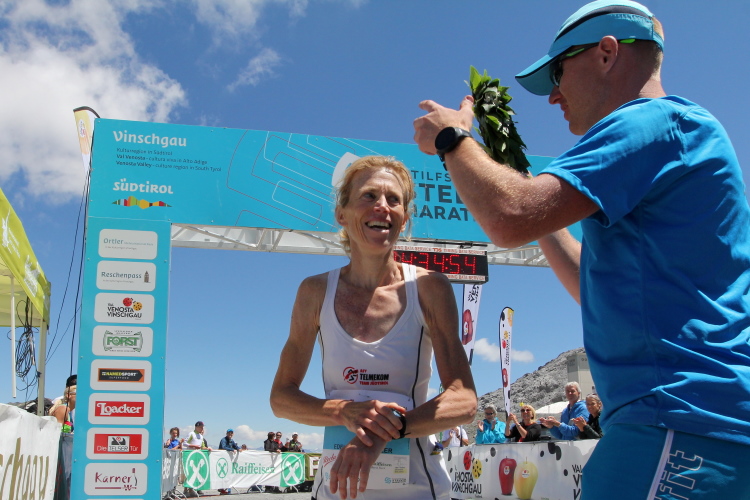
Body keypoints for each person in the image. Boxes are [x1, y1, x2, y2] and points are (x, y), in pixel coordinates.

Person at [413, 0, 750, 497]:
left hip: (677, 420)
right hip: (690, 421)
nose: (553, 96)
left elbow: (508, 216)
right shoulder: (679, 131)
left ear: (607, 53)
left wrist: (451, 138)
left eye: (557, 73)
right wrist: (534, 203)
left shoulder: (649, 121)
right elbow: (585, 283)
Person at [270, 155, 477, 500]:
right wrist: (344, 412)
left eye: (394, 199)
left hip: (418, 490)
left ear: (404, 219)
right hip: (336, 488)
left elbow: (464, 401)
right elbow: (281, 399)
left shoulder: (429, 288)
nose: (382, 206)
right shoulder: (314, 291)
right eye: (369, 195)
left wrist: (385, 432)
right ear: (342, 214)